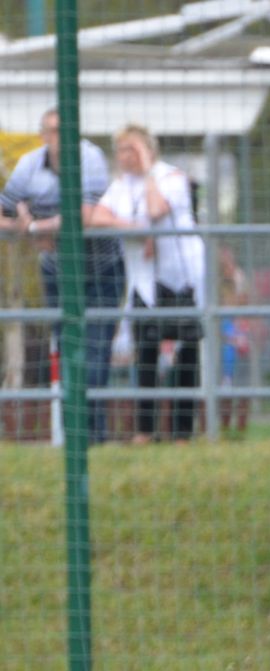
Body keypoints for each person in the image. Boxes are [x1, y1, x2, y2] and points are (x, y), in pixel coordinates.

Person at [1, 106, 122, 441]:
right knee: (67, 352)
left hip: (101, 271)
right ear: (43, 135)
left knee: (96, 353)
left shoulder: (90, 158)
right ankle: (75, 437)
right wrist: (21, 226)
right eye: (53, 131)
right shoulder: (29, 165)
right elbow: (5, 213)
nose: (59, 138)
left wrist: (36, 226)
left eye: (65, 130)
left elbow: (84, 215)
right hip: (56, 272)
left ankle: (94, 439)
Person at [88, 125, 205, 444]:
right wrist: (132, 227)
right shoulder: (121, 186)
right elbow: (97, 217)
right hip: (143, 281)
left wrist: (149, 171)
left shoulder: (172, 178)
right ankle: (145, 431)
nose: (125, 156)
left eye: (132, 149)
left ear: (149, 151)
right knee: (146, 353)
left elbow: (155, 210)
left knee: (185, 354)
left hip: (180, 278)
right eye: (121, 150)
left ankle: (183, 433)